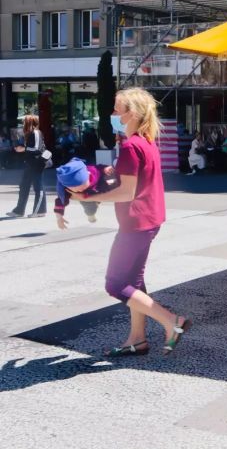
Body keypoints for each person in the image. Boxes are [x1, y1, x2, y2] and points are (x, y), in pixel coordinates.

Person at [69, 88, 190, 357]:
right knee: (134, 282)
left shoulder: (131, 145)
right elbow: (132, 183)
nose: (112, 114)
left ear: (131, 114)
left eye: (116, 109)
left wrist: (87, 195)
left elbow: (127, 192)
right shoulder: (145, 142)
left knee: (115, 284)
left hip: (136, 223)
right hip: (148, 220)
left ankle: (172, 321)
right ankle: (137, 339)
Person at [54, 158, 119, 229]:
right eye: (73, 188)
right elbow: (60, 201)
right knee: (90, 209)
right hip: (86, 198)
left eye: (82, 186)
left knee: (112, 181)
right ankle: (90, 215)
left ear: (88, 175)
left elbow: (98, 167)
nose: (79, 189)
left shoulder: (92, 171)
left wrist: (105, 168)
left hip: (100, 187)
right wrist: (59, 218)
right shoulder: (66, 189)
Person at [7, 115, 47, 218]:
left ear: (30, 122)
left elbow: (37, 149)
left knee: (38, 187)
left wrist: (24, 149)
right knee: (24, 186)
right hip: (30, 163)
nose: (23, 123)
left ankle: (40, 210)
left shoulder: (36, 132)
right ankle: (19, 211)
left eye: (25, 121)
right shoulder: (29, 134)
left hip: (37, 163)